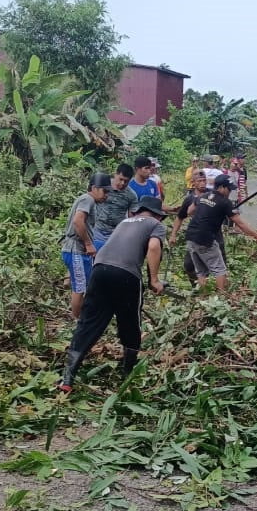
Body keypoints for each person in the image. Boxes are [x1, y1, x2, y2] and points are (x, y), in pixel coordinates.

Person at [59, 197, 167, 393]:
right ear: (159, 215)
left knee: (89, 321)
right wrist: (154, 280)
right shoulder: (155, 224)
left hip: (99, 270)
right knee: (130, 322)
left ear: (138, 211)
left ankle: (68, 378)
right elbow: (153, 247)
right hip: (126, 274)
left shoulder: (124, 222)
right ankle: (127, 374)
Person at [181, 175, 257, 291]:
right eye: (229, 189)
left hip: (191, 236)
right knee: (219, 269)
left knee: (201, 271)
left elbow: (189, 211)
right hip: (205, 238)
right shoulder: (225, 202)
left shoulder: (203, 196)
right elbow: (240, 224)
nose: (229, 192)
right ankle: (221, 298)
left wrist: (207, 213)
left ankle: (202, 297)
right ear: (222, 187)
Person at [61, 172, 110, 318]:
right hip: (76, 249)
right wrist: (88, 244)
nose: (107, 195)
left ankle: (82, 317)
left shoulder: (89, 201)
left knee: (83, 285)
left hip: (76, 250)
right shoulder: (87, 199)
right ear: (94, 188)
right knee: (80, 288)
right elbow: (78, 221)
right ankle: (78, 321)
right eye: (104, 191)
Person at [171, 170, 209, 286]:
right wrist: (173, 234)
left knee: (207, 264)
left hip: (211, 236)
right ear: (193, 183)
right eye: (200, 181)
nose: (203, 183)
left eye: (204, 180)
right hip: (194, 236)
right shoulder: (189, 199)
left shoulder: (212, 195)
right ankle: (195, 286)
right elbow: (180, 217)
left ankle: (206, 289)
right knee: (188, 265)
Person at [92, 163, 138, 249]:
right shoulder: (102, 186)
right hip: (96, 229)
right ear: (115, 174)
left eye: (126, 181)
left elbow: (132, 218)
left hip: (116, 233)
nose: (122, 183)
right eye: (121, 179)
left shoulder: (131, 195)